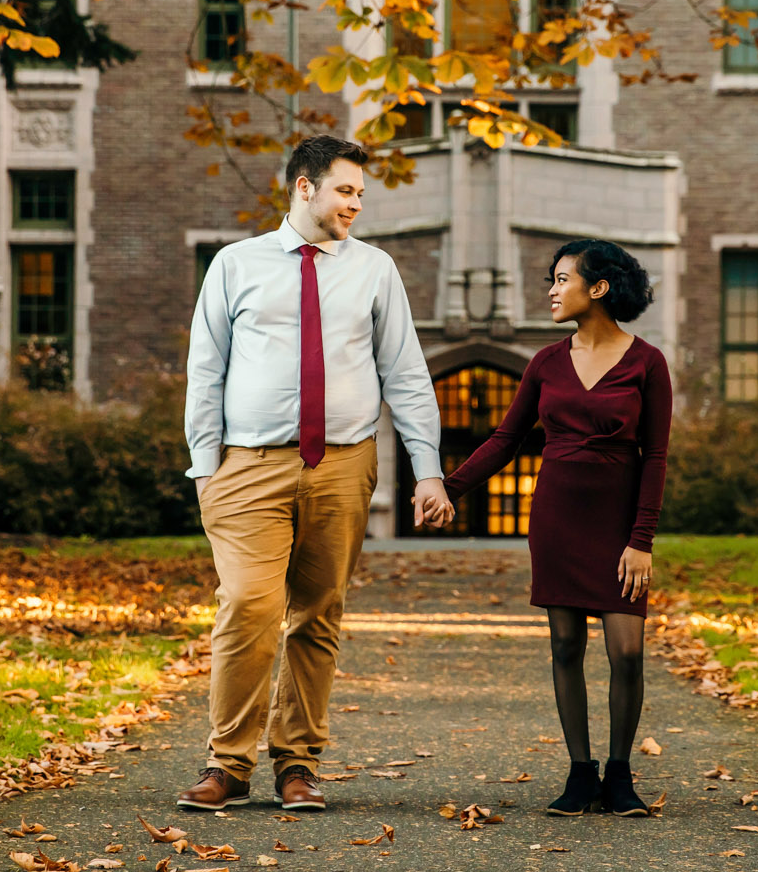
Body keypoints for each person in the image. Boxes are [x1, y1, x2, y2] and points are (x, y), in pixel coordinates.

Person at [179, 135, 453, 812]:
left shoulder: (375, 269)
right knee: (249, 603)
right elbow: (205, 369)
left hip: (343, 463)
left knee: (318, 611)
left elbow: (407, 374)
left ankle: (297, 762)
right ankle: (228, 763)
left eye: (361, 193)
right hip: (247, 466)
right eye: (345, 191)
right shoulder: (235, 265)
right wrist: (205, 468)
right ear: (304, 187)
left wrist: (428, 472)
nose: (356, 204)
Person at [433, 239, 670, 817]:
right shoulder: (545, 362)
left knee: (627, 651)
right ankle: (580, 773)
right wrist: (449, 488)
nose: (551, 290)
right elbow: (505, 440)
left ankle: (619, 775)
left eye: (562, 279)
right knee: (565, 645)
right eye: (551, 279)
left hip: (618, 523)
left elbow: (657, 456)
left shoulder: (647, 362)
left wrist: (641, 541)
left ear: (598, 288)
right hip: (558, 516)